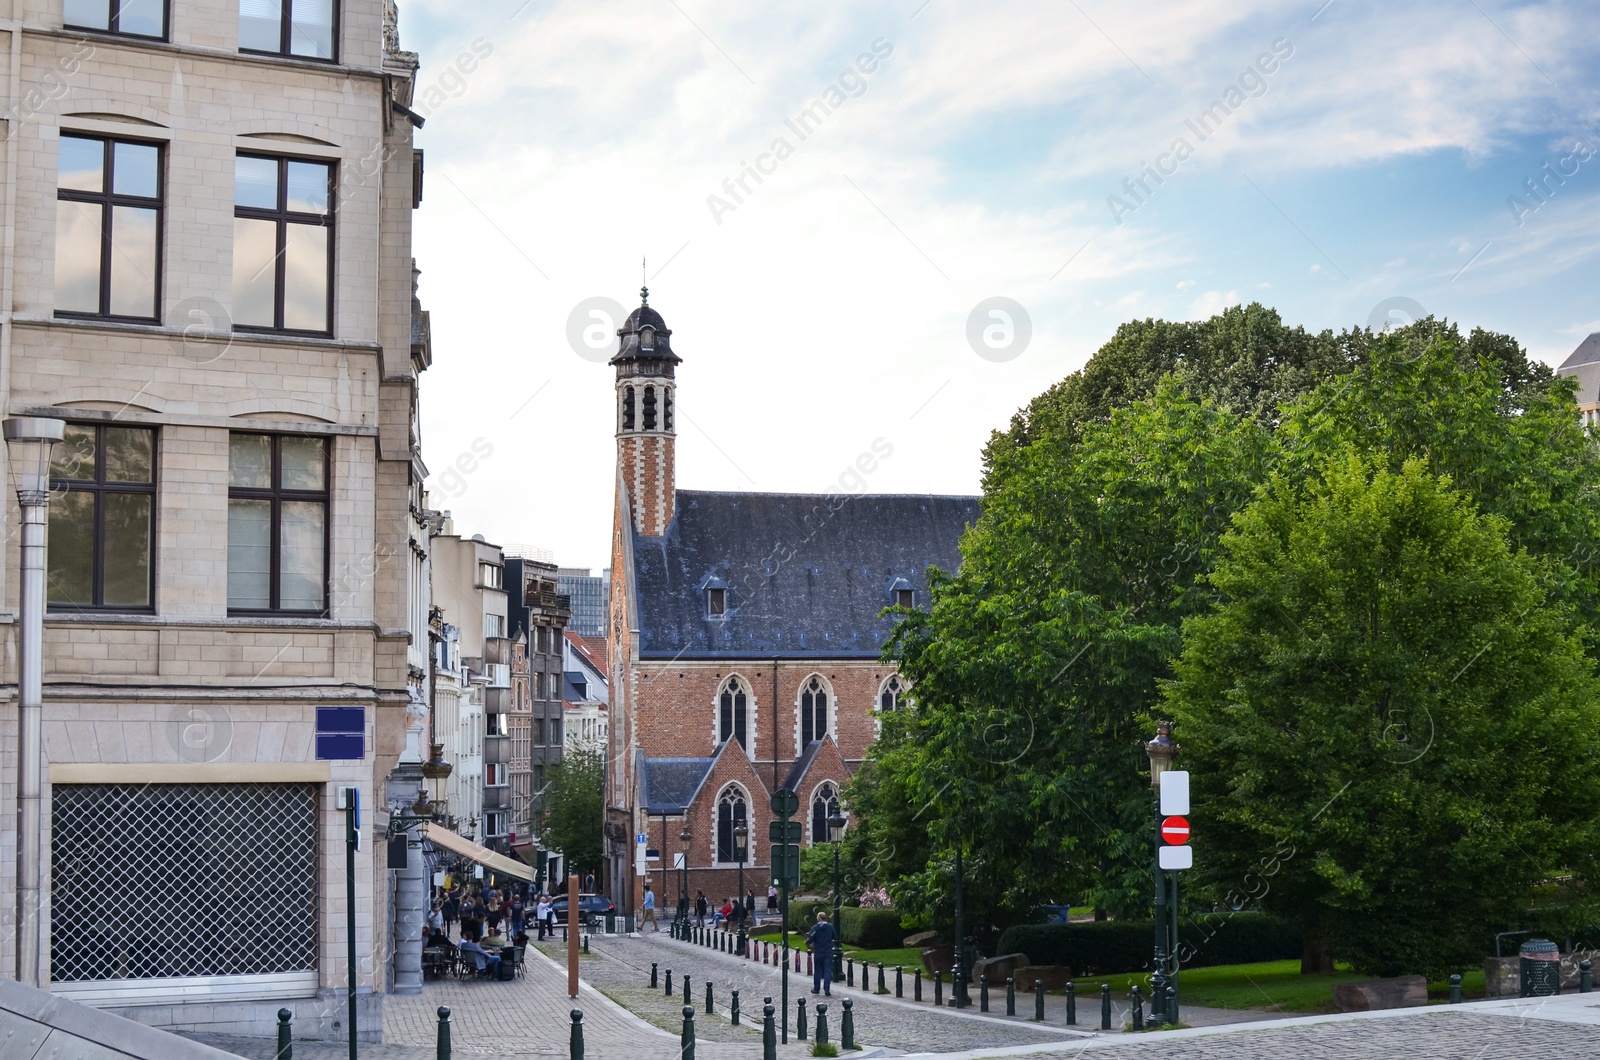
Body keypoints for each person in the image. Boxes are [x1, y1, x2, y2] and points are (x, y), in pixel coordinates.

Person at [806, 911, 836, 996]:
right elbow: (835, 937)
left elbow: (809, 940)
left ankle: (816, 988)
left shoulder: (815, 928)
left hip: (818, 951)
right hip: (828, 951)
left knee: (818, 970)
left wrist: (811, 948)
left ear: (819, 918)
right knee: (828, 970)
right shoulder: (830, 927)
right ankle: (827, 989)